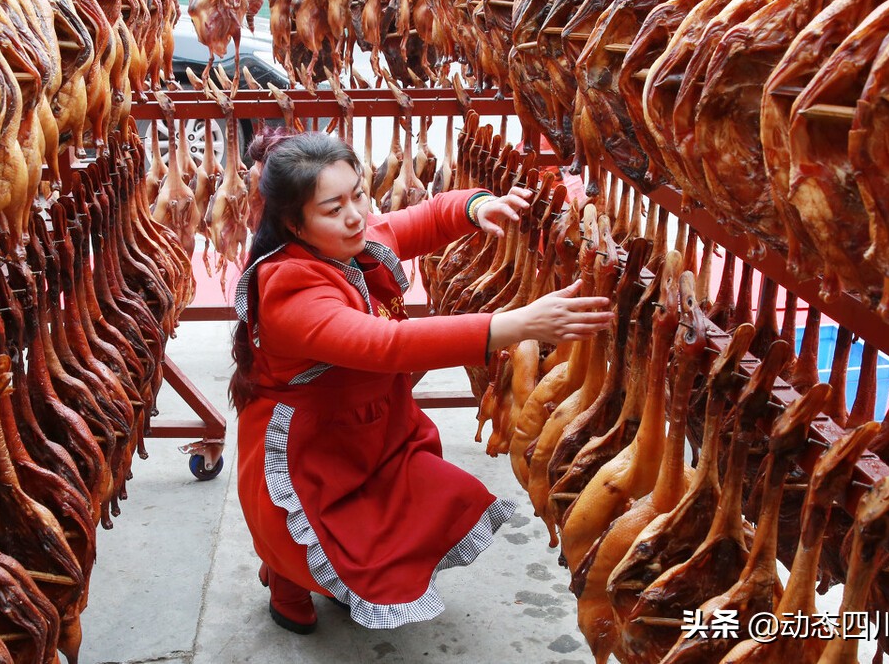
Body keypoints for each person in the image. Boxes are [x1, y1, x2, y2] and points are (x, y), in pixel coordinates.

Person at [230, 132, 613, 634]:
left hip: (373, 423)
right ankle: (285, 584)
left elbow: (425, 217)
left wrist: (478, 207)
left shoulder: (354, 241)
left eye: (358, 195)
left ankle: (335, 577)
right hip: (311, 439)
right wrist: (516, 324)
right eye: (333, 207)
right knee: (305, 529)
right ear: (292, 222)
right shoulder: (289, 287)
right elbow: (388, 345)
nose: (355, 216)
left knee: (389, 517)